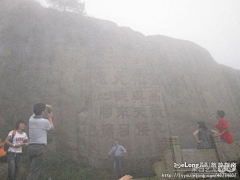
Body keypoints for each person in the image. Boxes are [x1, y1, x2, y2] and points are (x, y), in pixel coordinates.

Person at [26, 103, 54, 180]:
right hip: (39, 148)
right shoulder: (44, 121)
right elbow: (51, 128)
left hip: (31, 147)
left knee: (34, 168)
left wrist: (44, 106)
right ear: (42, 112)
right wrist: (50, 118)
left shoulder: (31, 119)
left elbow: (35, 112)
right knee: (34, 171)